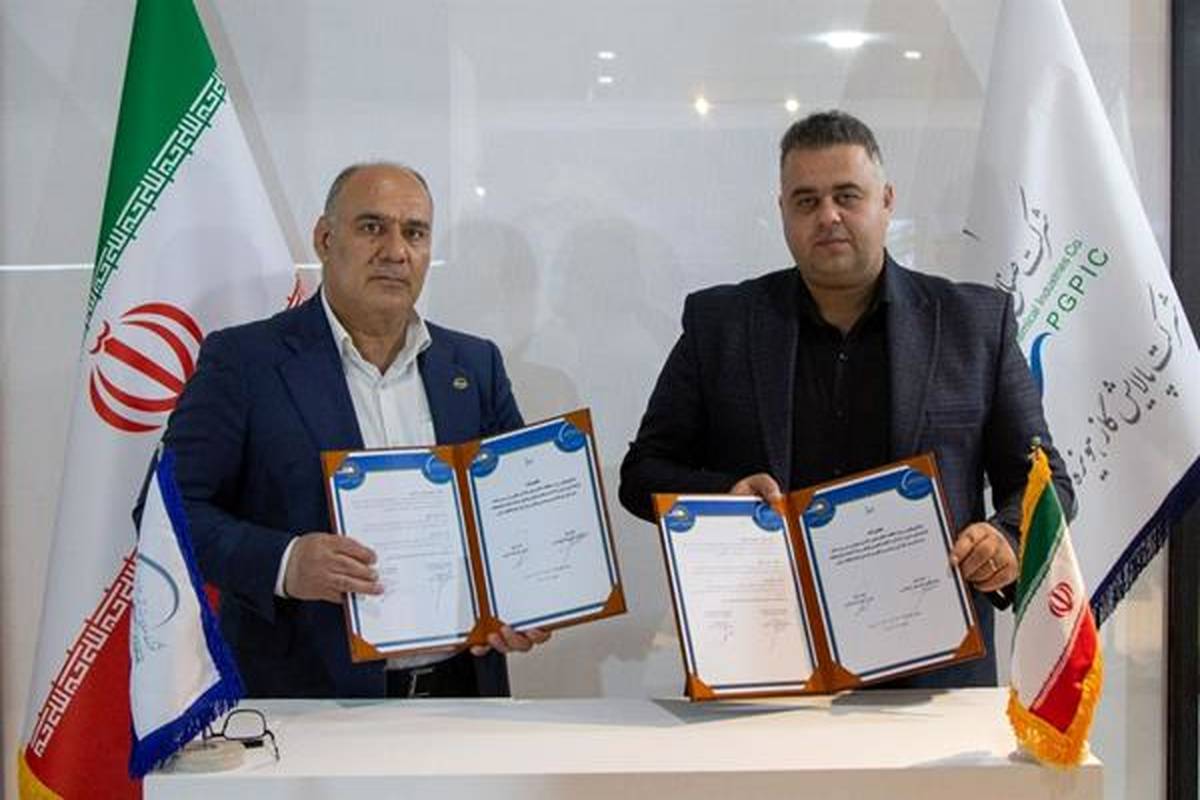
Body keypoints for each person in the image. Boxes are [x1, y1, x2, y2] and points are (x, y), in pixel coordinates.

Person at [618, 110, 1075, 688]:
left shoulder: (974, 324)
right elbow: (642, 473)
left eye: (847, 196)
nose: (828, 215)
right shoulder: (721, 325)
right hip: (761, 665)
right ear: (782, 211)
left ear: (886, 201)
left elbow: (1046, 482)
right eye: (806, 201)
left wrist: (1005, 536)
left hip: (928, 673)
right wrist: (726, 494)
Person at [161, 162, 548, 698]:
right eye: (372, 227)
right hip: (308, 701)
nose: (396, 251)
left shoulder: (474, 365)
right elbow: (167, 511)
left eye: (414, 233)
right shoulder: (246, 362)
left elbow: (518, 512)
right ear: (325, 239)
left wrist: (530, 598)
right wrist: (285, 562)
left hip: (464, 694)